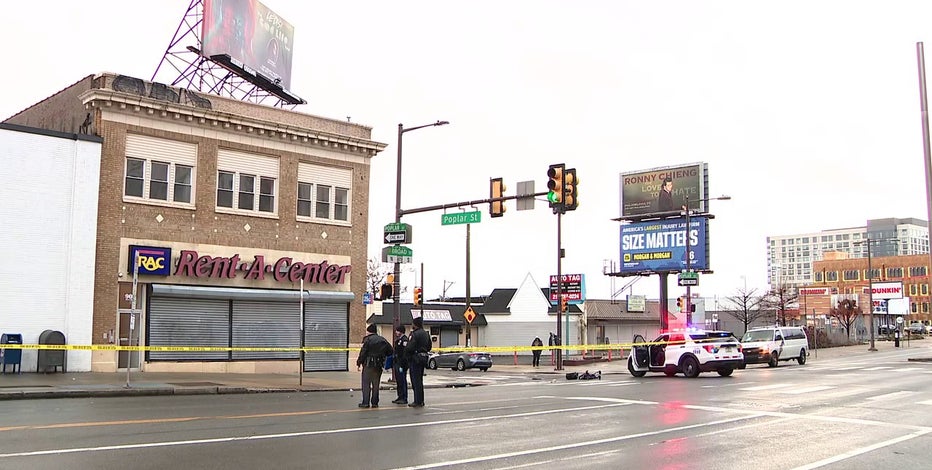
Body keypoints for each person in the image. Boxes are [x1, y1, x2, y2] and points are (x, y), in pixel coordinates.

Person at [356, 323, 392, 408]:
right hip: (378, 365)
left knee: (366, 384)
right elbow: (390, 351)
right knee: (376, 384)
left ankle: (365, 402)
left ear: (369, 331)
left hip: (368, 364)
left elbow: (363, 352)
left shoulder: (367, 340)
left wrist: (359, 362)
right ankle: (375, 402)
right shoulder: (383, 340)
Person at [404, 316, 432, 408]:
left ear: (415, 324)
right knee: (420, 380)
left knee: (415, 380)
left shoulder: (414, 334)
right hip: (424, 358)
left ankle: (417, 401)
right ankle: (421, 400)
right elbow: (429, 347)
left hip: (415, 358)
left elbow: (410, 347)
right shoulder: (426, 334)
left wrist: (407, 354)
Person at [391, 325, 409, 405]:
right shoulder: (398, 340)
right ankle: (400, 396)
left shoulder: (404, 340)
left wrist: (402, 364)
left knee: (402, 380)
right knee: (398, 380)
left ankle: (404, 397)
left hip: (402, 364)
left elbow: (404, 353)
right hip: (397, 362)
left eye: (397, 331)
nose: (396, 332)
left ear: (401, 331)